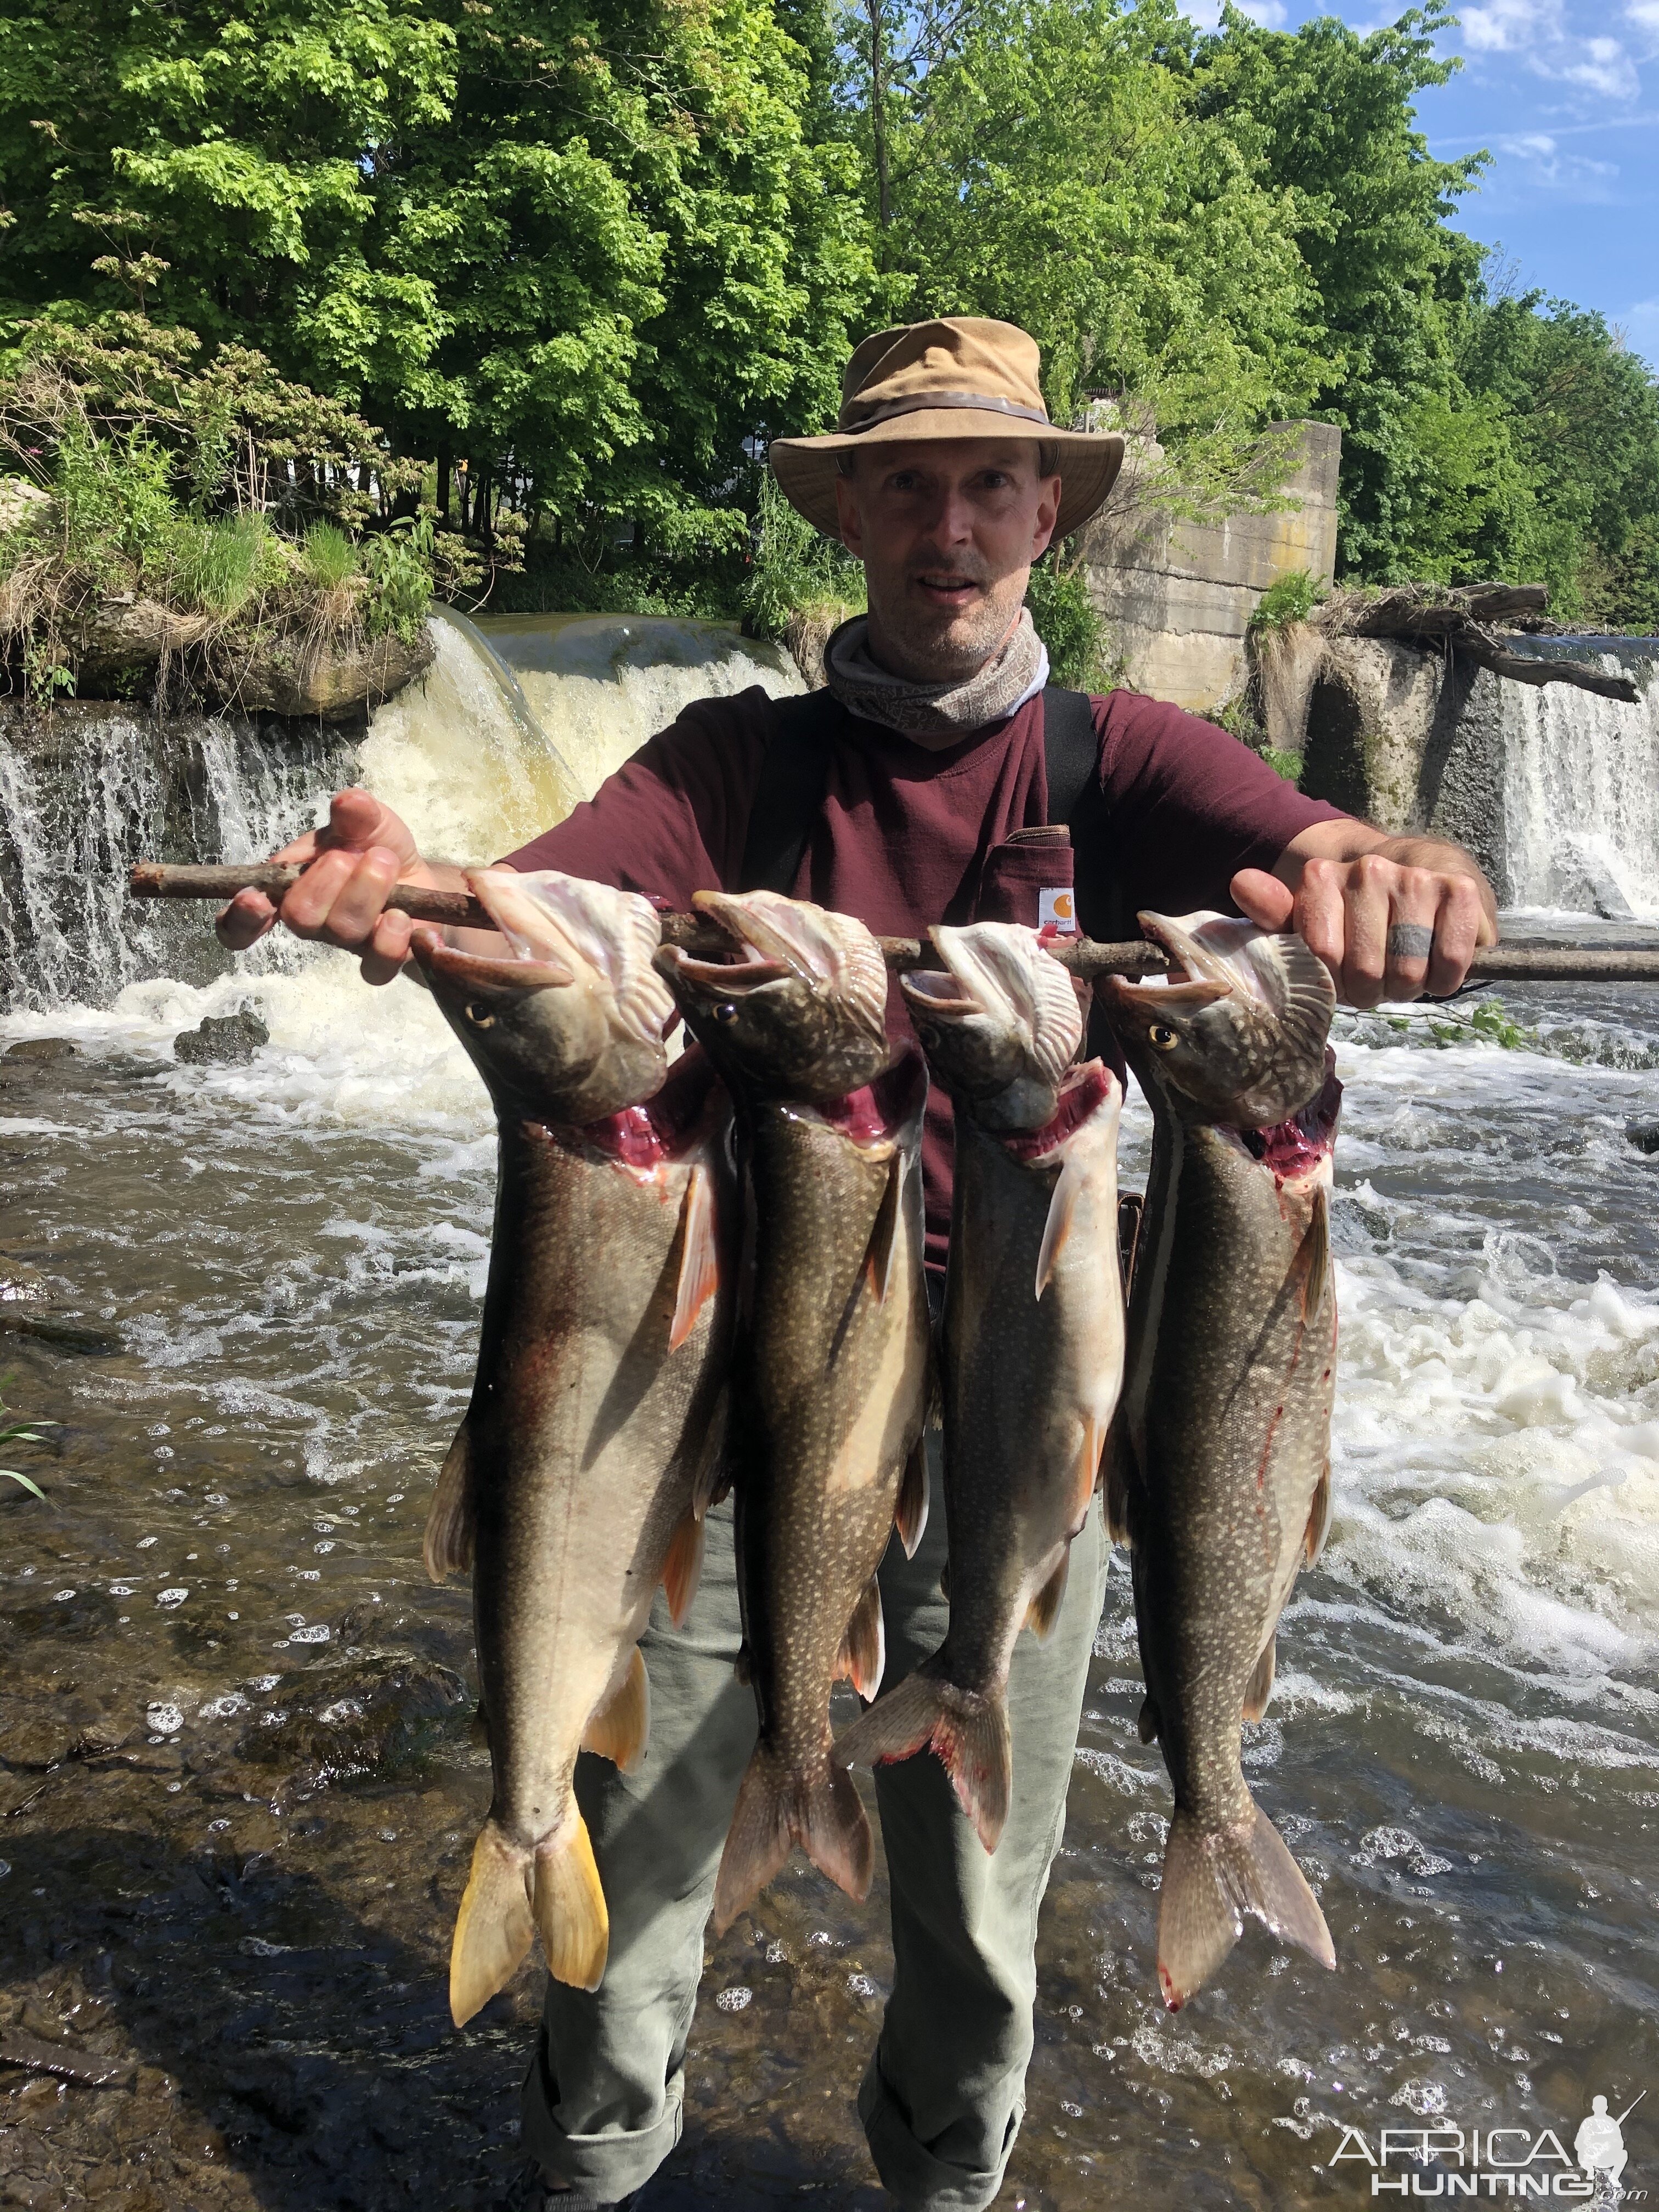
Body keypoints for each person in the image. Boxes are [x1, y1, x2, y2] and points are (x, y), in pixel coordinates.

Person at [219, 317, 1498, 2211]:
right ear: (856, 520)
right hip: (735, 1399)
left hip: (1019, 1416)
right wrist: (405, 888)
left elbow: (1317, 851)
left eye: (993, 482)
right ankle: (592, 2170)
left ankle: (945, 2180)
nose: (952, 524)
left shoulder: (1125, 757)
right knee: (628, 1851)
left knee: (982, 1924)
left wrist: (1393, 870)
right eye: (909, 484)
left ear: (1047, 514)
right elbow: (551, 900)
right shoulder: (741, 764)